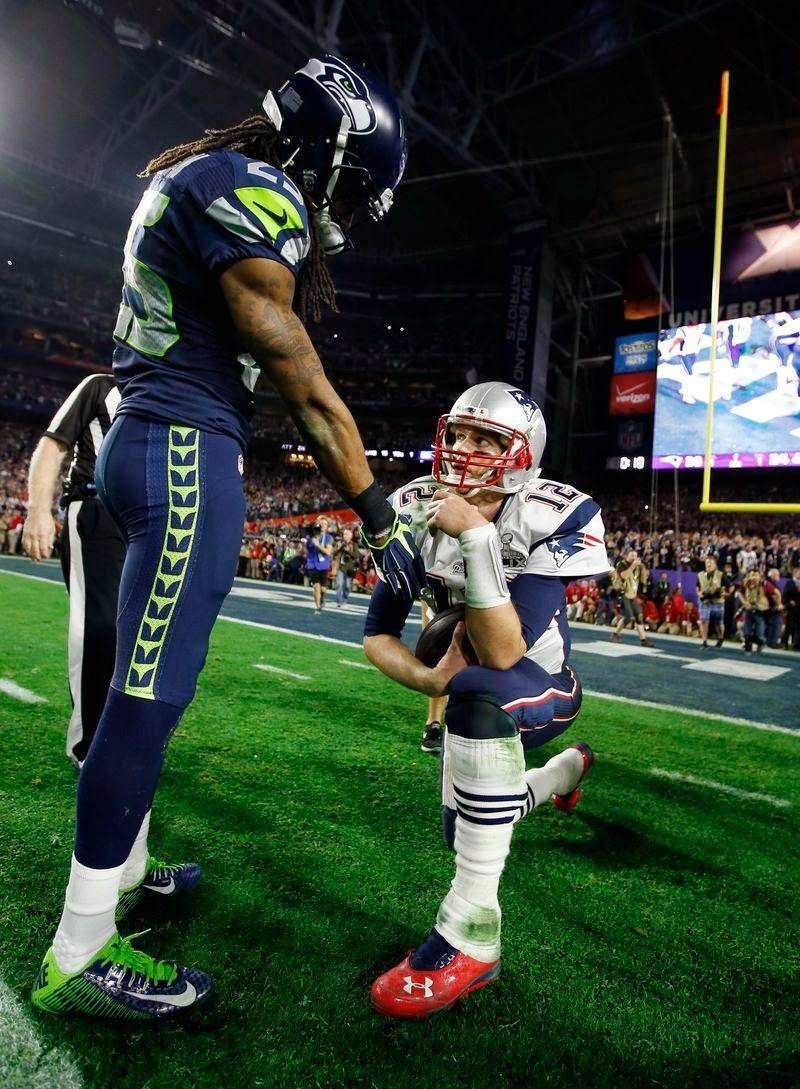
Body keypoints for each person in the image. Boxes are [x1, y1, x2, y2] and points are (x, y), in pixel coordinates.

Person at [31, 52, 424, 1021]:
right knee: (146, 698)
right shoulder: (256, 193)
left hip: (148, 442)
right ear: (325, 149)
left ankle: (121, 874)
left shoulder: (203, 175)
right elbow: (303, 385)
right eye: (352, 180)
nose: (344, 206)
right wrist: (379, 518)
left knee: (138, 684)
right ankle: (78, 949)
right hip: (180, 455)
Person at [363, 381, 609, 1018]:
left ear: (523, 455)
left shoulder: (556, 512)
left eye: (489, 439)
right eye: (460, 435)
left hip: (542, 681)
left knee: (479, 695)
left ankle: (471, 935)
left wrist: (475, 538)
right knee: (471, 823)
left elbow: (502, 655)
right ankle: (562, 773)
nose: (467, 451)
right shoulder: (416, 505)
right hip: (473, 686)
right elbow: (377, 635)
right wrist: (427, 682)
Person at [22, 373, 125, 768]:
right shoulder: (100, 386)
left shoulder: (166, 397)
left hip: (144, 525)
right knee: (99, 628)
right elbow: (53, 443)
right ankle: (89, 745)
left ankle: (123, 736)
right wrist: (38, 509)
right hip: (96, 511)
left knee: (133, 633)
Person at [610, 550, 654, 647]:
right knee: (628, 617)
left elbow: (643, 581)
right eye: (632, 555)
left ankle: (643, 640)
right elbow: (623, 576)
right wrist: (633, 566)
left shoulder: (638, 567)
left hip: (633, 595)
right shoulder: (621, 564)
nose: (634, 557)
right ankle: (615, 634)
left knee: (639, 616)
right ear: (627, 556)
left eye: (635, 555)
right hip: (623, 594)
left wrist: (643, 569)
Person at [696, 555, 727, 649]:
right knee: (704, 620)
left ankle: (720, 638)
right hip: (705, 601)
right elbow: (697, 587)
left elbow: (730, 587)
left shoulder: (721, 575)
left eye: (711, 563)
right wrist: (699, 594)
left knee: (719, 624)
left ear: (715, 564)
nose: (708, 565)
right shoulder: (701, 575)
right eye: (707, 563)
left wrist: (724, 593)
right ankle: (704, 641)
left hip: (717, 602)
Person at [305, 516, 334, 611]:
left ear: (327, 527)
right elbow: (308, 547)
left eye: (325, 524)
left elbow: (328, 552)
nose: (322, 525)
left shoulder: (329, 537)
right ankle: (318, 607)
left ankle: (321, 598)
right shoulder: (311, 536)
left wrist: (318, 545)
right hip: (312, 564)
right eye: (321, 523)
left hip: (324, 565)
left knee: (323, 589)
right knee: (316, 587)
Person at [331, 525, 359, 607]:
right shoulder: (339, 543)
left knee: (347, 586)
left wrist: (348, 551)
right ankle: (339, 601)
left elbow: (356, 556)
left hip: (350, 568)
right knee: (339, 584)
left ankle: (345, 599)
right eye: (344, 534)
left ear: (351, 536)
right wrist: (341, 548)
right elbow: (334, 553)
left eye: (347, 534)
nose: (345, 536)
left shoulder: (354, 545)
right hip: (341, 567)